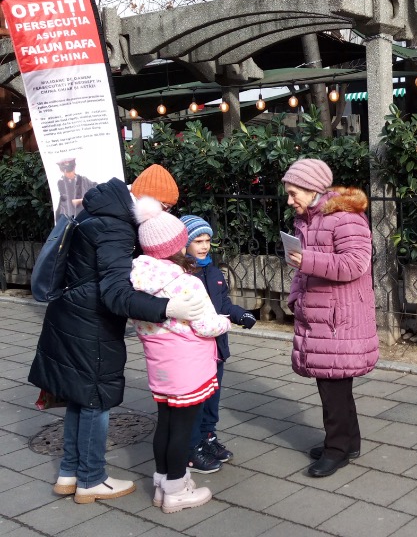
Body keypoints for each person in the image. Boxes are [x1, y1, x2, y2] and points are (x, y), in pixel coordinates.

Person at [29, 164, 206, 504]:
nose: (164, 215)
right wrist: (167, 309)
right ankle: (92, 479)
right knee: (97, 399)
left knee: (80, 399)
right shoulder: (116, 227)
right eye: (165, 207)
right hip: (91, 323)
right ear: (146, 200)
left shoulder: (101, 211)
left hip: (70, 314)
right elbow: (115, 294)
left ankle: (69, 472)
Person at [130, 199, 231, 513]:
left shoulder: (136, 279)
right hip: (188, 368)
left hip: (159, 367)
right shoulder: (185, 284)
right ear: (178, 244)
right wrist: (227, 321)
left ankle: (162, 481)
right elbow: (207, 325)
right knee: (183, 430)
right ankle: (176, 489)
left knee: (165, 425)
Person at [282, 158, 378, 478]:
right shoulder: (308, 219)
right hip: (321, 314)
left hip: (340, 317)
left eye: (294, 192)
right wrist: (296, 294)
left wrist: (306, 259)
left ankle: (336, 449)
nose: (289, 200)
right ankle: (349, 442)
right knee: (336, 383)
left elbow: (354, 264)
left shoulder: (344, 219)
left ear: (312, 189)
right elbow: (305, 268)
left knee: (332, 383)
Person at [179, 214, 257, 473]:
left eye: (207, 240)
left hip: (216, 349)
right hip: (195, 349)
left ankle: (207, 438)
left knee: (212, 398)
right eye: (197, 241)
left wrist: (240, 314)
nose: (203, 246)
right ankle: (192, 448)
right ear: (184, 244)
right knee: (197, 401)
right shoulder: (182, 275)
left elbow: (223, 305)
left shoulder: (213, 272)